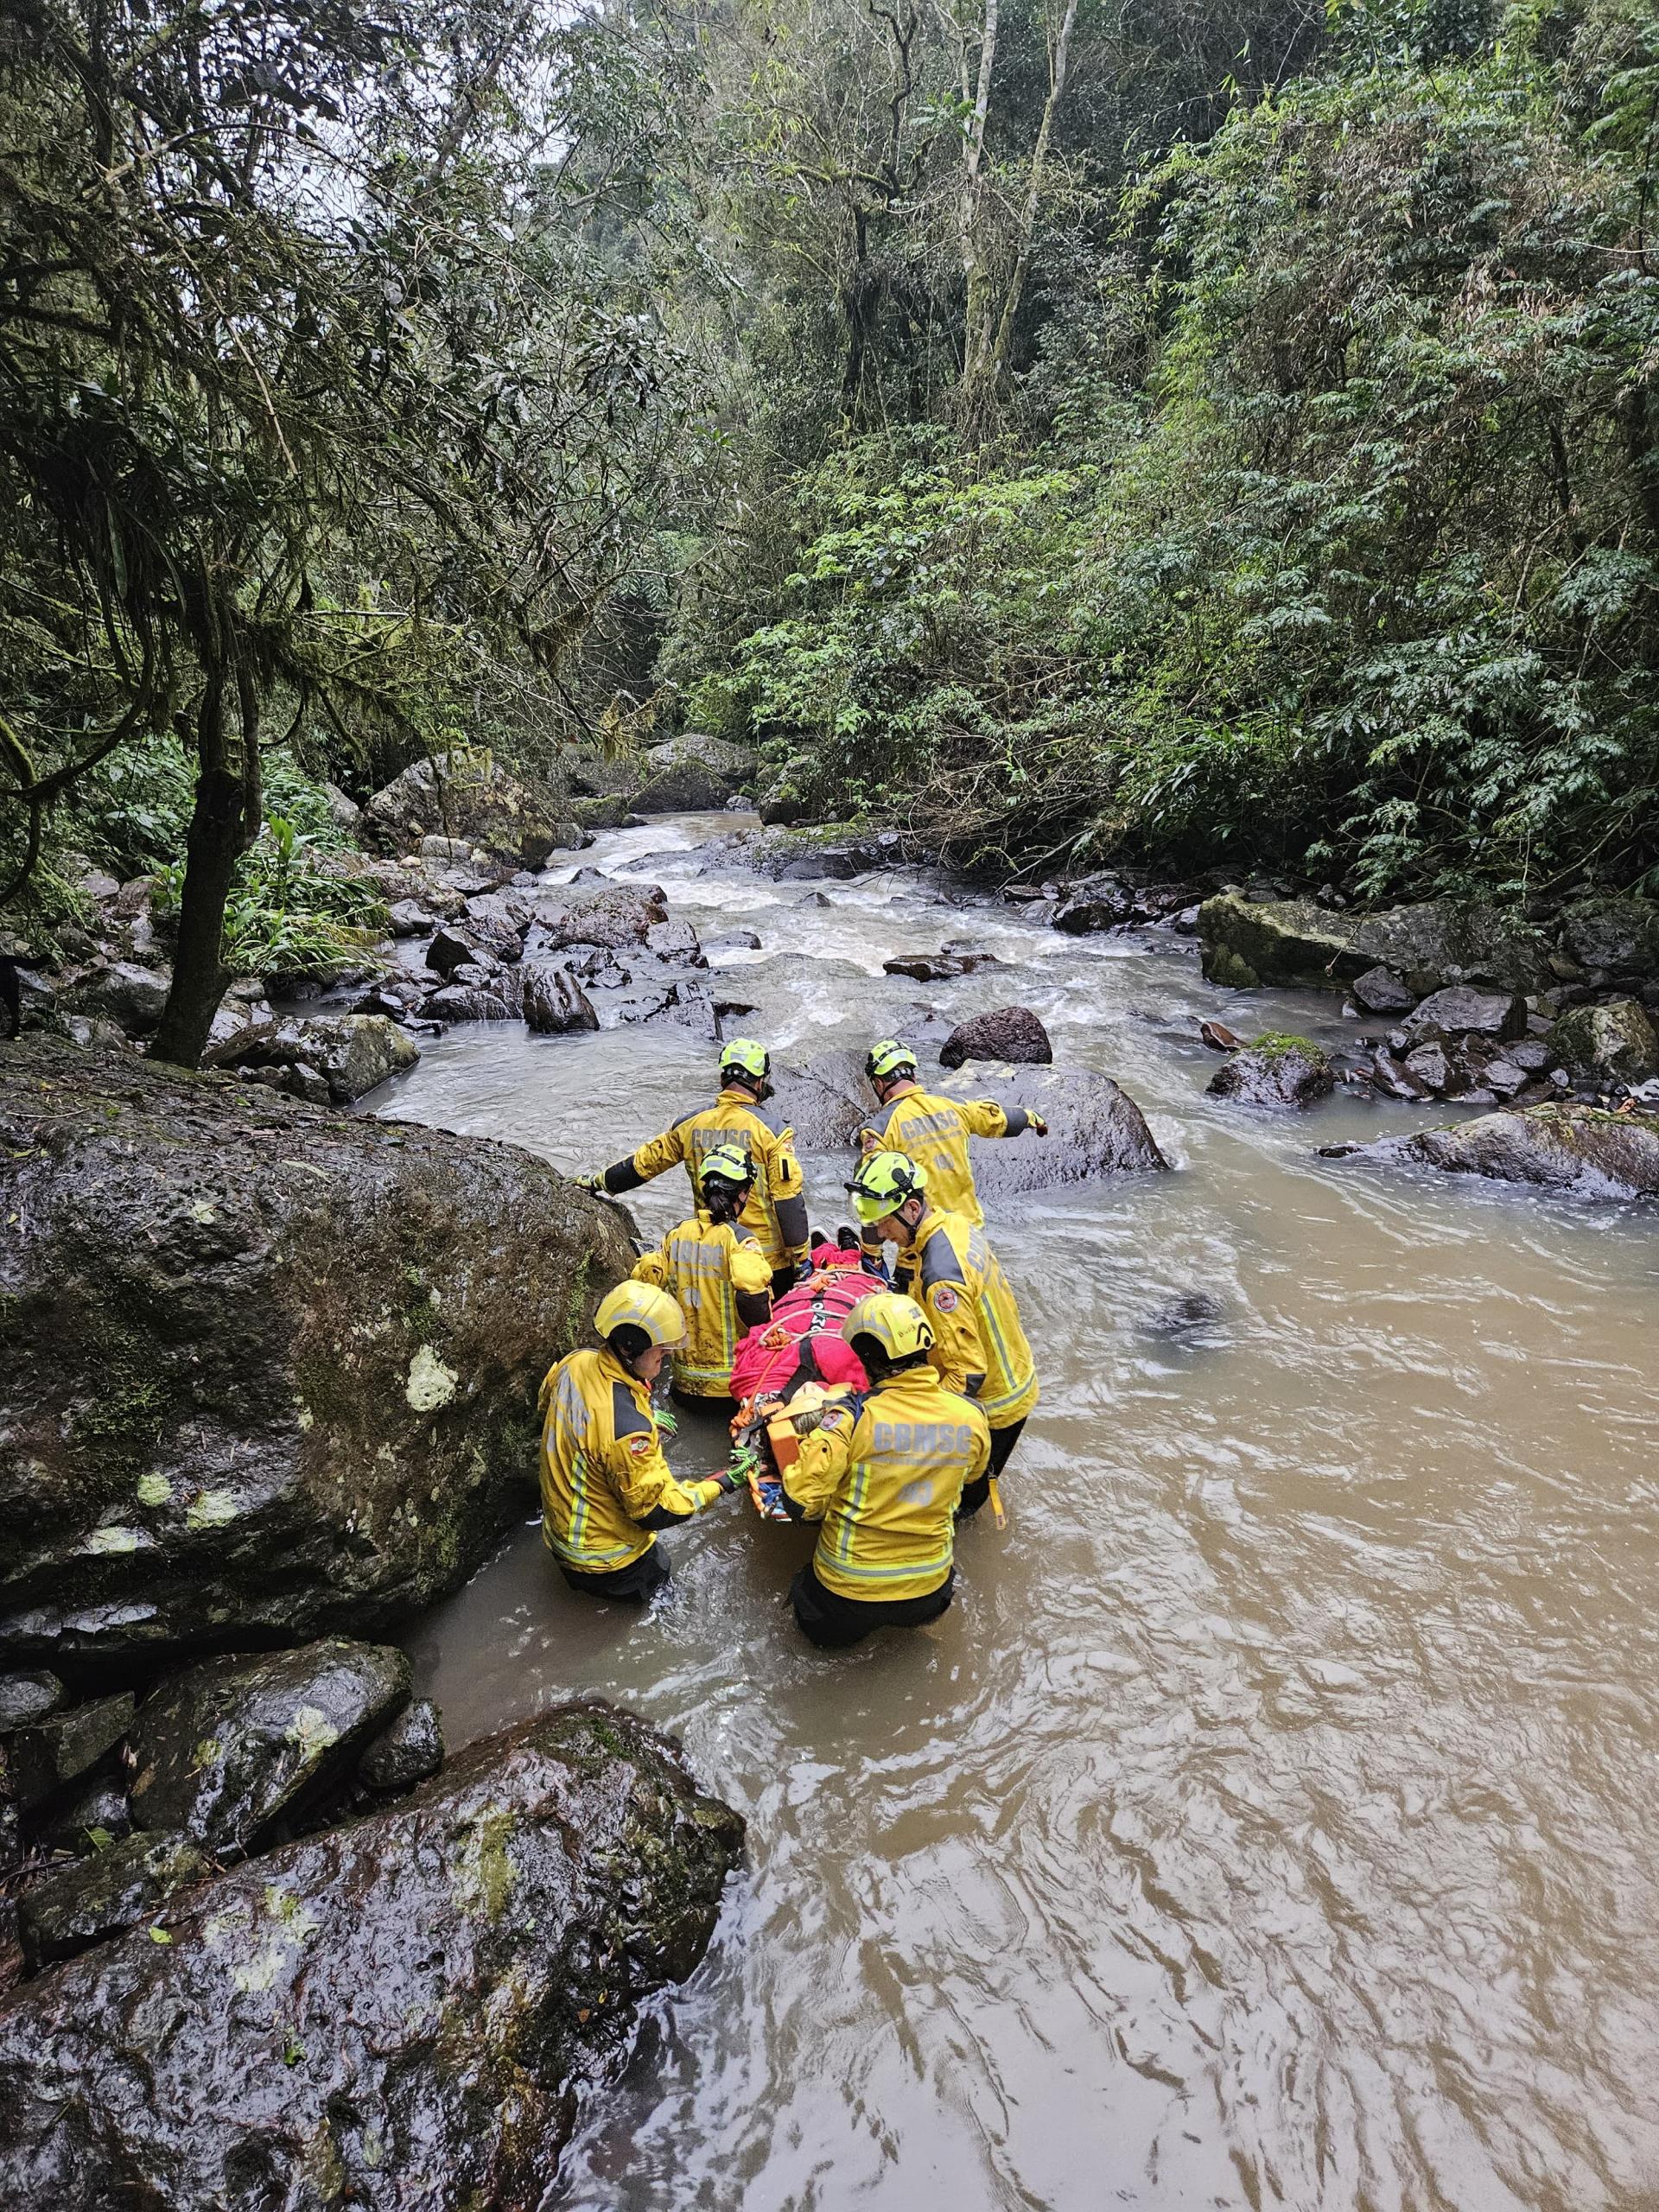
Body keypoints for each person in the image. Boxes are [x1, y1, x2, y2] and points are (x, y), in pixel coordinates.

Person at [780, 1292, 989, 1648]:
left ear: (867, 1360)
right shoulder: (972, 1417)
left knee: (809, 1614)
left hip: (847, 1591)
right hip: (928, 1593)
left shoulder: (850, 1419)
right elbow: (972, 1485)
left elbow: (799, 1503)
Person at [845, 1150, 1037, 1519]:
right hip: (1010, 1370)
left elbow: (967, 1377)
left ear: (913, 1209)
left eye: (885, 1223)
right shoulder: (952, 1227)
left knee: (951, 1505)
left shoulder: (941, 1278)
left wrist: (912, 1420)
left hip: (995, 1405)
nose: (882, 1234)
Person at [537, 1281, 746, 1602]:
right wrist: (722, 1483)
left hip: (560, 1536)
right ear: (629, 1347)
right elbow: (654, 1512)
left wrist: (645, 1416)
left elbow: (552, 1406)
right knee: (671, 1601)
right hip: (611, 1564)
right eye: (660, 1350)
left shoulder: (576, 1362)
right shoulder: (628, 1432)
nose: (665, 1357)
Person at [576, 1038, 810, 1290]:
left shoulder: (690, 1125)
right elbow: (788, 1200)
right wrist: (801, 1258)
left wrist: (597, 1182)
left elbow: (643, 1165)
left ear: (722, 1079)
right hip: (766, 1262)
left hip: (709, 1254)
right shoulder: (773, 1133)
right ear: (760, 1082)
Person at [630, 1143, 774, 1408]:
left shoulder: (676, 1235)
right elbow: (755, 1305)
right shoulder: (741, 1241)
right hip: (734, 1389)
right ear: (743, 1193)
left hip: (685, 1386)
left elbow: (642, 1287)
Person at [859, 1039, 1047, 1225]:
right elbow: (1000, 1119)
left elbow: (872, 1192)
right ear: (913, 1077)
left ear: (879, 1084)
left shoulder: (879, 1130)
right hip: (970, 1232)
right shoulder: (954, 1105)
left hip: (925, 1237)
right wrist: (1032, 1119)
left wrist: (871, 1252)